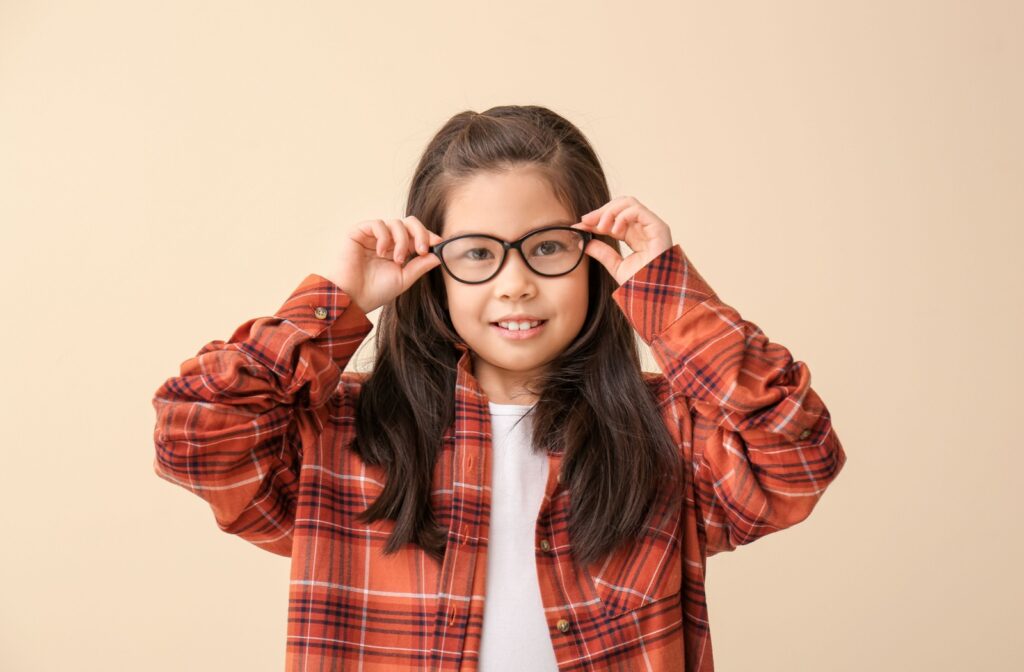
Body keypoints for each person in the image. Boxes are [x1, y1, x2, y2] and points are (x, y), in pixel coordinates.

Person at [151, 105, 847, 671]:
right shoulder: (344, 437)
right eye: (478, 253)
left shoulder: (666, 431)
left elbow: (799, 453)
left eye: (546, 247)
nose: (516, 282)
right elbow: (196, 432)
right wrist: (337, 303)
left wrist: (667, 295)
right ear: (433, 266)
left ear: (593, 257)